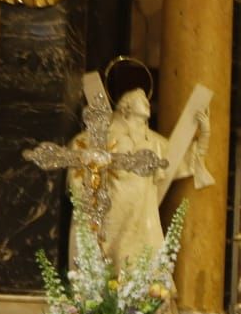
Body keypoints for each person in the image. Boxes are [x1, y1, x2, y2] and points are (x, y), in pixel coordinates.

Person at [69, 87, 210, 273]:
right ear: (126, 106)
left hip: (144, 215)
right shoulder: (104, 136)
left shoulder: (154, 142)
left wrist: (205, 135)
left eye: (147, 99)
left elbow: (183, 161)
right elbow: (79, 157)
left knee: (147, 271)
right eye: (140, 98)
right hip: (113, 213)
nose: (147, 102)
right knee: (108, 271)